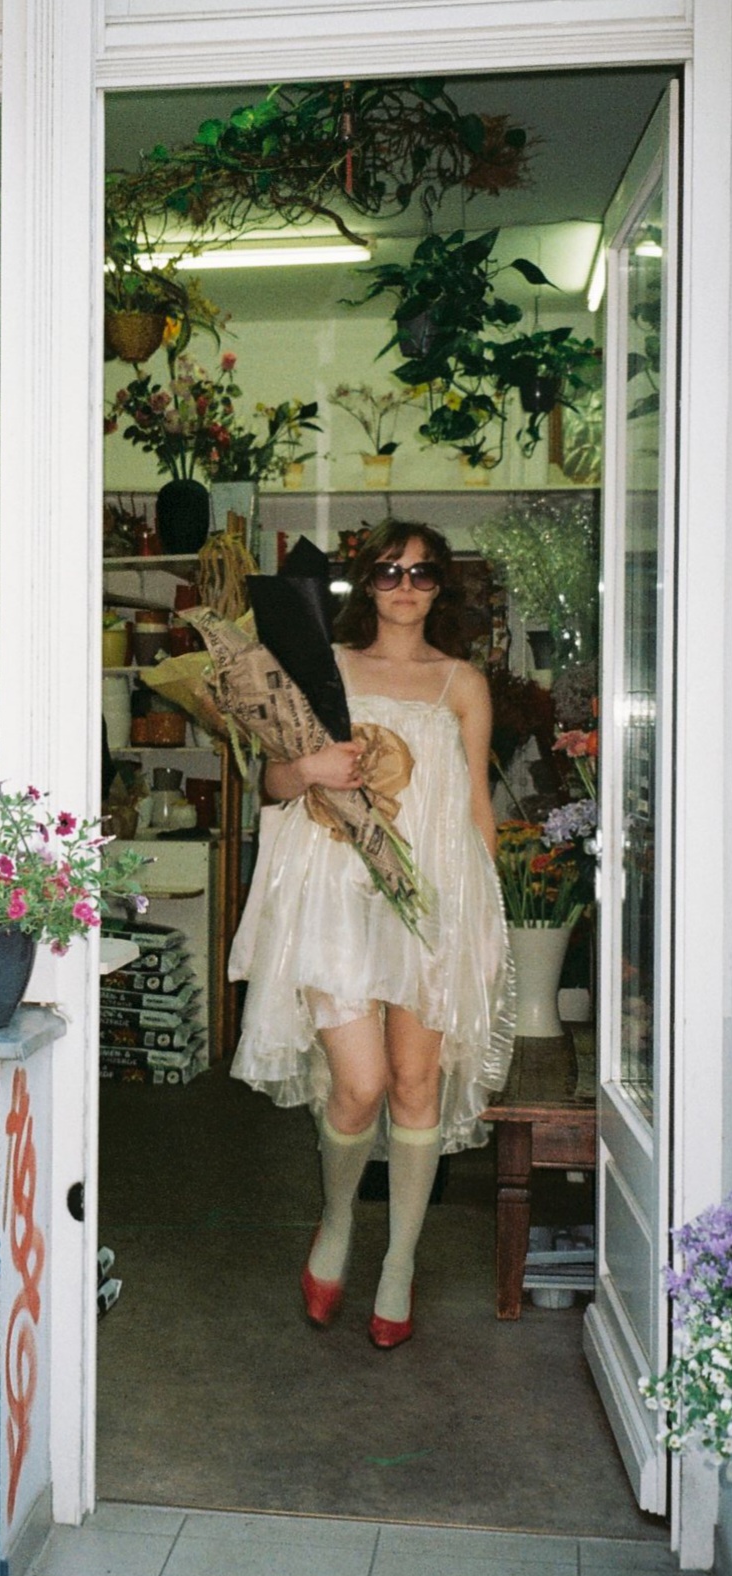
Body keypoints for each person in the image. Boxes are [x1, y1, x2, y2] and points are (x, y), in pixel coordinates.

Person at [229, 520, 515, 1349]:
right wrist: (308, 769)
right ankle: (339, 1221)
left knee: (416, 1084)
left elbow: (474, 811)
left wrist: (485, 925)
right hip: (338, 896)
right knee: (359, 1084)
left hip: (432, 902)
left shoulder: (462, 683)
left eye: (423, 574)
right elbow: (273, 784)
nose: (404, 586)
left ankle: (399, 1264)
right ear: (367, 581)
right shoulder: (331, 670)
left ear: (441, 589)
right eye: (389, 571)